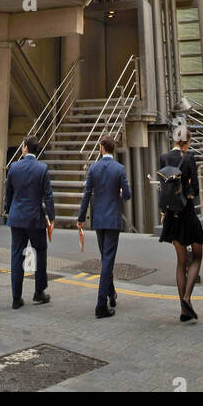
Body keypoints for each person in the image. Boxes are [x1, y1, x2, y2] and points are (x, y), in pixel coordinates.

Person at [77, 135, 132, 319]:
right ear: (113, 148)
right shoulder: (119, 169)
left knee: (105, 258)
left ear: (102, 148)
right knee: (108, 260)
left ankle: (111, 293)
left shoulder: (94, 168)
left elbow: (86, 194)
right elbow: (128, 195)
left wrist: (81, 218)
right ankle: (101, 304)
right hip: (113, 220)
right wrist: (121, 192)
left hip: (98, 219)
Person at [159, 133, 203, 322]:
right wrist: (188, 193)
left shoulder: (164, 157)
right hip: (187, 212)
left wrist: (164, 211)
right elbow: (195, 187)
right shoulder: (189, 158)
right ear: (187, 142)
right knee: (197, 255)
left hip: (171, 214)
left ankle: (184, 311)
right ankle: (187, 298)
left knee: (180, 260)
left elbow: (163, 187)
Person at [4, 137, 55, 310]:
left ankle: (16, 297)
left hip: (17, 217)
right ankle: (39, 291)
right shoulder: (42, 168)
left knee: (17, 256)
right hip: (35, 219)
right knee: (40, 252)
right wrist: (52, 217)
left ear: (25, 148)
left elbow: (9, 192)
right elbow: (48, 195)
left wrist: (8, 210)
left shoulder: (14, 167)